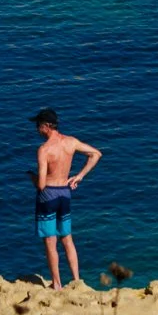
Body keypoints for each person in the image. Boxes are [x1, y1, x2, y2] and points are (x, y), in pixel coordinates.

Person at [31, 106, 101, 291]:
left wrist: (31, 177)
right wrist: (80, 176)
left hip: (48, 195)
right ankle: (77, 280)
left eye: (38, 125)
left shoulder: (44, 150)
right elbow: (96, 154)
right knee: (67, 239)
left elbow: (41, 184)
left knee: (50, 241)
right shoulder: (70, 142)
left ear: (47, 126)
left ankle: (57, 284)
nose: (36, 129)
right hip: (64, 193)